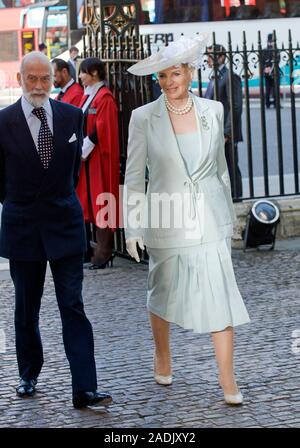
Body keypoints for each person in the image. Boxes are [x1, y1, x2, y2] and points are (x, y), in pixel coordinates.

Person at [124, 36, 250, 405]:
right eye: (161, 76)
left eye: (175, 74)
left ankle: (227, 379)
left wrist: (229, 215)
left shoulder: (214, 110)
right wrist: (132, 226)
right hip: (166, 217)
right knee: (162, 290)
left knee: (220, 294)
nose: (168, 82)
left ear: (190, 73)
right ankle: (163, 354)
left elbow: (222, 170)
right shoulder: (144, 118)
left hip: (210, 218)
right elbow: (134, 176)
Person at [0, 52, 112, 409]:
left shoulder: (71, 116)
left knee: (73, 305)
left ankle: (84, 387)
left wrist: (59, 201)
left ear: (54, 79)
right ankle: (28, 373)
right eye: (31, 78)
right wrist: (18, 203)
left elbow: (73, 175)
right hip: (22, 227)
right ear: (20, 79)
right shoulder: (2, 122)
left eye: (44, 79)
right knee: (25, 309)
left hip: (64, 225)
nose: (38, 85)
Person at [76, 57, 120, 269]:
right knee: (92, 200)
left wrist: (84, 148)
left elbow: (101, 130)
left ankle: (104, 250)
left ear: (93, 73)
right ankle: (98, 249)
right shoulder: (90, 95)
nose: (81, 76)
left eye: (83, 72)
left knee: (101, 200)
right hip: (89, 157)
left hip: (98, 158)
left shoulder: (104, 98)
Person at [205, 44, 243, 199]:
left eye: (210, 55)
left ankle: (236, 198)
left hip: (226, 134)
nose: (207, 59)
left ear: (221, 57)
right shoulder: (215, 77)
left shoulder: (229, 77)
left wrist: (227, 133)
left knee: (231, 168)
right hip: (216, 132)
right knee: (222, 168)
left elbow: (235, 106)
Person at [262, 33, 279, 109]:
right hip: (267, 73)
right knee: (268, 89)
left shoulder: (276, 50)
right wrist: (265, 68)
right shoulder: (264, 50)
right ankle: (267, 103)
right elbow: (262, 61)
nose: (273, 42)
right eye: (272, 40)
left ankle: (276, 103)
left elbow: (278, 60)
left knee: (276, 89)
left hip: (275, 72)